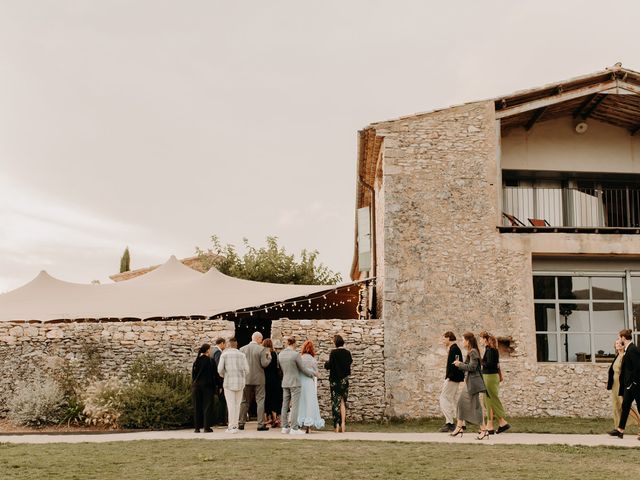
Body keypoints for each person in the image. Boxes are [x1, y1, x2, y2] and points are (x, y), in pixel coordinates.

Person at [278, 336, 315, 435]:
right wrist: (311, 374)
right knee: (295, 405)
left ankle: (284, 427)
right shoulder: (295, 355)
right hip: (295, 382)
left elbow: (280, 369)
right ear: (294, 344)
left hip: (285, 381)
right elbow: (302, 368)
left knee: (285, 405)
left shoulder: (280, 354)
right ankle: (294, 428)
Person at [450, 332, 484, 437]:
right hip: (469, 382)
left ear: (468, 341)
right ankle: (459, 427)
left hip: (473, 383)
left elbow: (472, 367)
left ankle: (483, 429)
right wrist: (461, 364)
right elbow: (470, 366)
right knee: (461, 403)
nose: (462, 342)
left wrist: (460, 364)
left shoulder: (473, 352)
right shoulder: (471, 351)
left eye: (463, 340)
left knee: (475, 406)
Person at [478, 331, 510, 439]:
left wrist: (481, 362)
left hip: (490, 377)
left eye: (482, 338)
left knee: (491, 399)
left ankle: (499, 422)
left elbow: (491, 364)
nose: (480, 340)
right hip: (489, 376)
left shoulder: (491, 350)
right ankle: (497, 424)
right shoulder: (489, 350)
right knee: (487, 401)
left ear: (487, 340)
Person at [609, 329, 640, 439]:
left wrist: (633, 383)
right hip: (629, 385)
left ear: (623, 338)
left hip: (635, 385)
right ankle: (620, 430)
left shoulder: (632, 349)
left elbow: (637, 367)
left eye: (619, 337)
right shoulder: (628, 349)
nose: (618, 339)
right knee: (625, 406)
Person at [238, 331, 272, 431]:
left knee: (244, 401)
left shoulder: (242, 349)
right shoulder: (262, 349)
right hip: (259, 379)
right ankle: (260, 424)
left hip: (246, 378)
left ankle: (241, 423)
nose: (261, 341)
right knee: (260, 401)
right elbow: (264, 364)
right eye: (261, 339)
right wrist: (269, 357)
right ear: (258, 339)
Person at [217, 337, 249, 433]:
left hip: (229, 382)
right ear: (236, 344)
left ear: (228, 344)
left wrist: (224, 375)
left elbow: (219, 370)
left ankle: (231, 426)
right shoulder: (242, 355)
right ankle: (235, 426)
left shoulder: (224, 355)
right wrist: (242, 376)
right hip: (240, 382)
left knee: (230, 404)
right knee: (237, 404)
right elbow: (247, 370)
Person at [324, 334, 352, 433]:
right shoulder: (348, 353)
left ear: (335, 342)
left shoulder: (334, 353)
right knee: (343, 402)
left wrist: (326, 364)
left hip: (335, 381)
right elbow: (349, 363)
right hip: (344, 380)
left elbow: (329, 365)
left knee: (335, 402)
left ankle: (336, 425)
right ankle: (343, 424)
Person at [438, 331, 464, 433]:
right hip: (454, 378)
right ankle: (461, 424)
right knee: (454, 400)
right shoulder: (453, 349)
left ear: (449, 338)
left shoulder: (455, 349)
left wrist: (449, 377)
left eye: (444, 338)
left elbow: (456, 365)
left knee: (443, 398)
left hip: (453, 378)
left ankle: (450, 423)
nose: (443, 341)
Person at [297, 340, 324, 432]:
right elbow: (316, 373)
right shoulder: (313, 360)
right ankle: (308, 426)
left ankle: (300, 422)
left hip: (300, 382)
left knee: (301, 402)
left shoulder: (300, 358)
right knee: (310, 403)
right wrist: (312, 373)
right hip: (309, 383)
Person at [191, 343, 216, 433]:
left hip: (196, 386)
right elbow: (214, 375)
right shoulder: (210, 361)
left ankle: (197, 428)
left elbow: (193, 376)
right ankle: (206, 427)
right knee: (207, 406)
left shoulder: (196, 361)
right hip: (207, 386)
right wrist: (217, 386)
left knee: (197, 406)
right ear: (208, 350)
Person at [262, 338, 282, 428]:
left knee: (267, 398)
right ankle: (276, 418)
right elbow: (277, 367)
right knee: (275, 398)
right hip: (275, 379)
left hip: (266, 379)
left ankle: (268, 418)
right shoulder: (274, 354)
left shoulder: (264, 354)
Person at [211, 337, 227, 426]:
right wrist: (220, 383)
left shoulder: (212, 351)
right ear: (221, 343)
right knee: (222, 400)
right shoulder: (217, 352)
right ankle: (221, 420)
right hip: (218, 380)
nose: (225, 346)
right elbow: (218, 368)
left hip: (213, 380)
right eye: (225, 344)